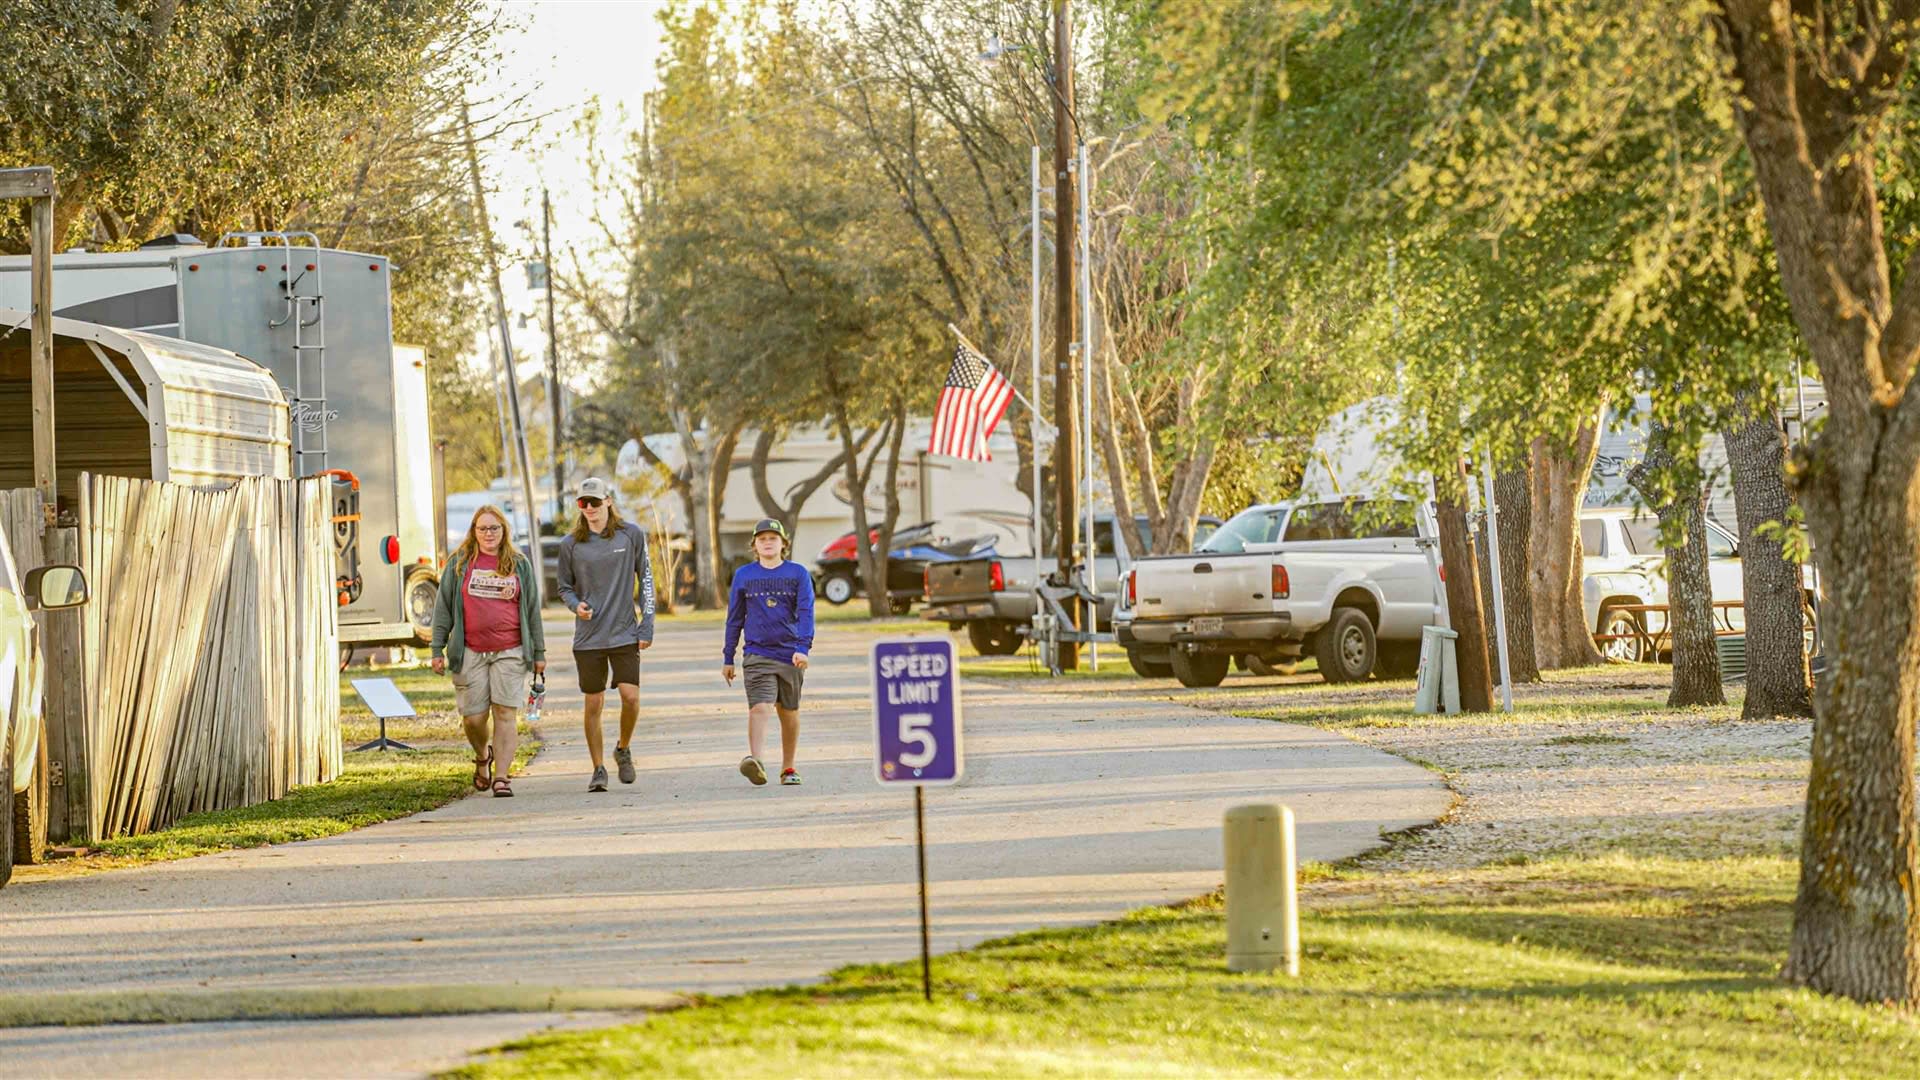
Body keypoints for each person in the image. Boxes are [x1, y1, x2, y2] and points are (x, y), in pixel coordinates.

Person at [430, 504, 545, 798]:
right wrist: (437, 648)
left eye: (494, 528)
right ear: (474, 532)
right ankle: (483, 756)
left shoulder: (518, 564)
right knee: (474, 718)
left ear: (503, 530)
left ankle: (503, 777)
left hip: (510, 650)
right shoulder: (459, 564)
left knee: (505, 712)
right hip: (470, 650)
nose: (489, 533)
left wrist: (539, 653)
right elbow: (443, 609)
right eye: (482, 528)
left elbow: (532, 611)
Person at [556, 477, 655, 792]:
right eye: (583, 503)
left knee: (631, 697)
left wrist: (647, 623)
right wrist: (576, 606)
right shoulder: (570, 544)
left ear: (608, 501)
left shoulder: (631, 535)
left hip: (624, 631)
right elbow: (564, 587)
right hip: (589, 637)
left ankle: (623, 748)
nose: (589, 509)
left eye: (595, 502)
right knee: (593, 704)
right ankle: (598, 768)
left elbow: (647, 580)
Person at [722, 518, 814, 787]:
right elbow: (734, 618)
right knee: (760, 707)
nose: (767, 542)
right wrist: (728, 656)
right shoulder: (744, 575)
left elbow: (807, 612)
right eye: (762, 539)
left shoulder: (798, 573)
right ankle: (757, 761)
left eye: (773, 538)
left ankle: (788, 768)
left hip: (790, 654)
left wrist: (803, 648)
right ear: (755, 545)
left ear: (783, 543)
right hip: (757, 653)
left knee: (788, 712)